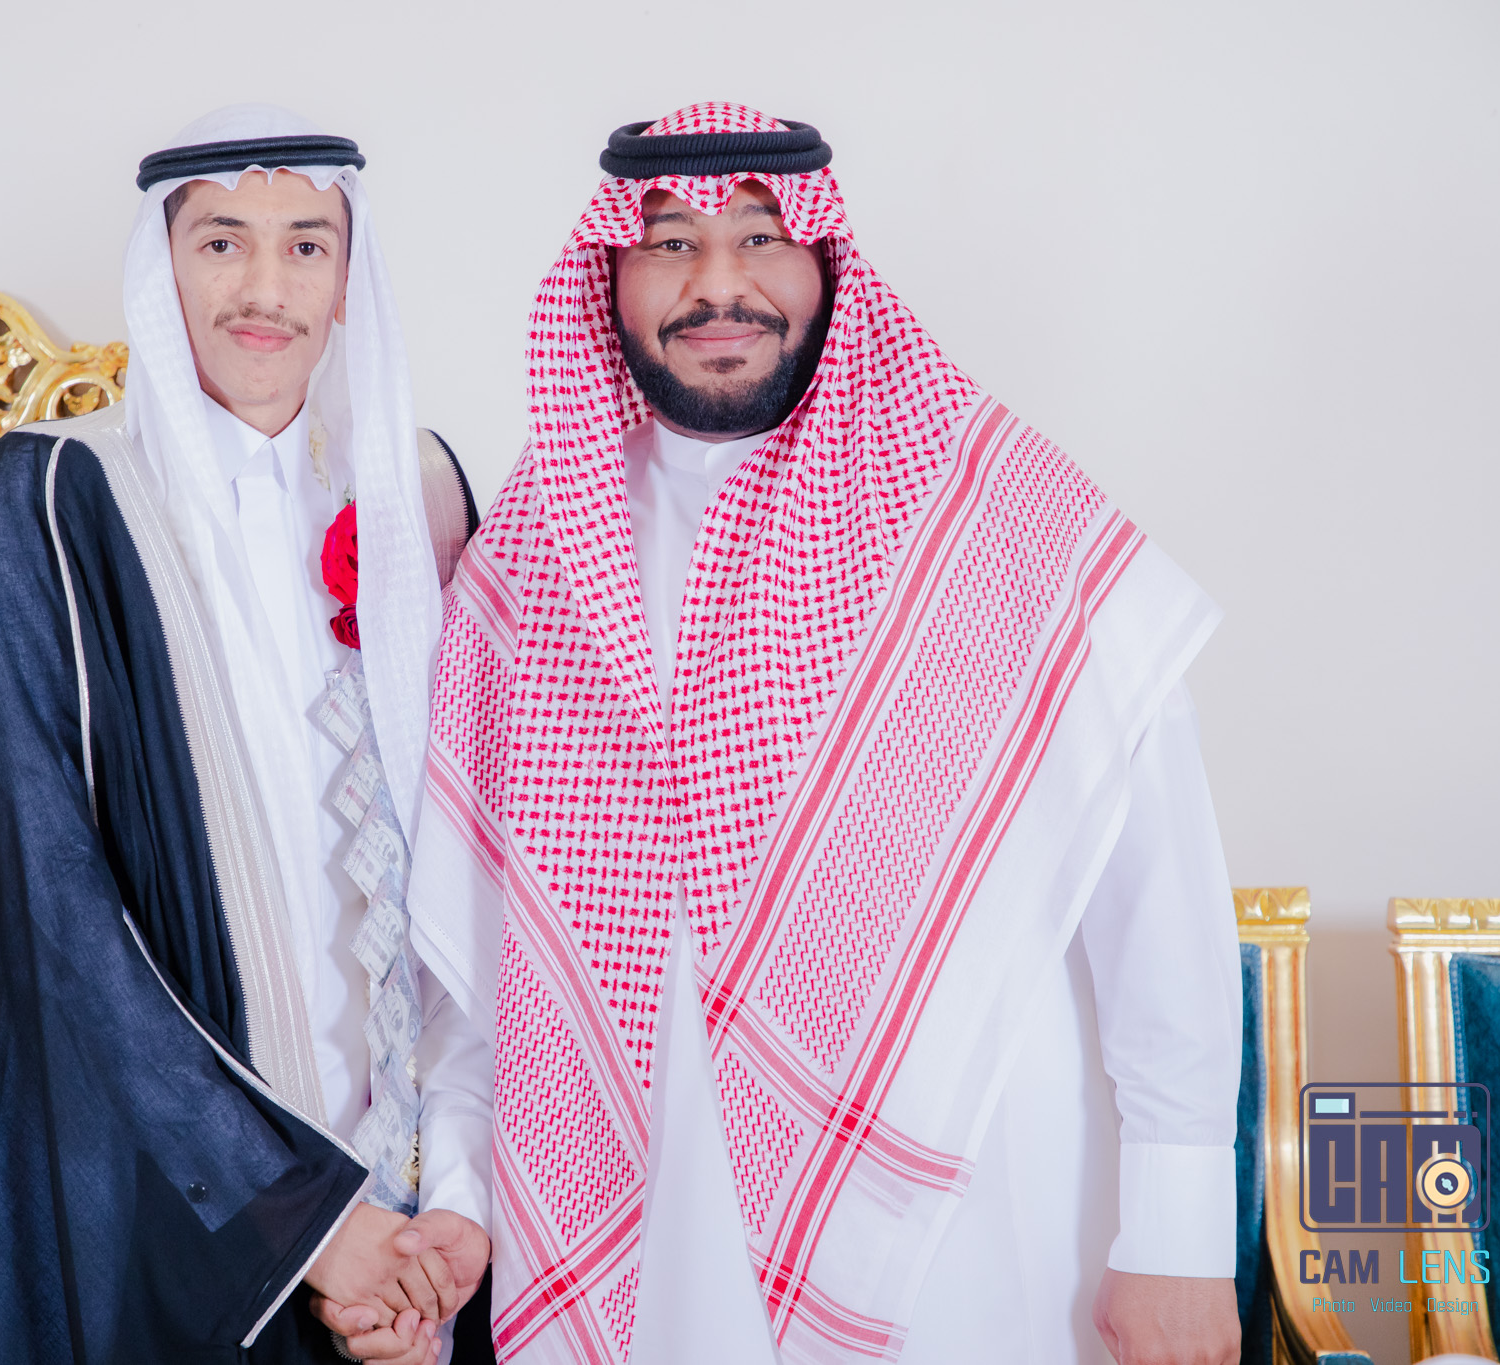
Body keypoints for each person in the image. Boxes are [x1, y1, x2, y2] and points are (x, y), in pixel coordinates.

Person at [409, 104, 1243, 1364]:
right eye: (669, 243)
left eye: (759, 236)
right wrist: (460, 1199)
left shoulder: (987, 513)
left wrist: (1175, 1236)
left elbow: (1156, 888)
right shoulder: (534, 551)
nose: (717, 284)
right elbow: (481, 958)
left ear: (822, 261)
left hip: (957, 1217)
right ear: (610, 277)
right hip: (636, 1210)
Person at [0, 104, 493, 1364]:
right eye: (220, 243)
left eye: (306, 245)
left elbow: (472, 885)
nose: (264, 289)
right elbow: (51, 918)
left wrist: (449, 1219)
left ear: (348, 276)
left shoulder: (415, 496)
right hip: (168, 1225)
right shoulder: (51, 500)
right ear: (163, 265)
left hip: (412, 1234)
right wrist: (307, 1226)